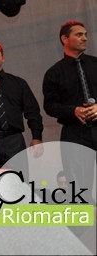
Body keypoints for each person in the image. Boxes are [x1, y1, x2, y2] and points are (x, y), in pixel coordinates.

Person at [43, 21, 97, 201]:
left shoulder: (95, 64)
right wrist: (73, 110)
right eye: (79, 34)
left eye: (86, 34)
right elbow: (50, 106)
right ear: (64, 39)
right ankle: (84, 218)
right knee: (79, 185)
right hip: (75, 132)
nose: (85, 38)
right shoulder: (54, 73)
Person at [0, 40, 43, 166]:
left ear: (3, 58)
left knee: (17, 177)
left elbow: (33, 112)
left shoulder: (18, 83)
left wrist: (37, 137)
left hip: (13, 140)